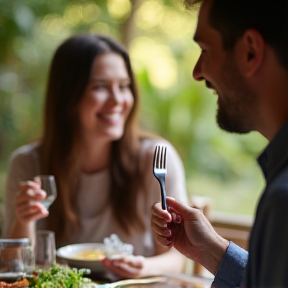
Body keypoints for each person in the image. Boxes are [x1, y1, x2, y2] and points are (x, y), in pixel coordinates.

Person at [3, 33, 188, 279]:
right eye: (100, 87)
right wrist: (24, 220)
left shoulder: (153, 159)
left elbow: (177, 258)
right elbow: (15, 271)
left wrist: (144, 268)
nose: (118, 100)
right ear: (68, 96)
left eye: (124, 86)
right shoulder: (29, 164)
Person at [151, 0, 288, 287]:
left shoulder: (282, 199)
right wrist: (211, 250)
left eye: (205, 50)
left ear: (250, 52)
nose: (197, 71)